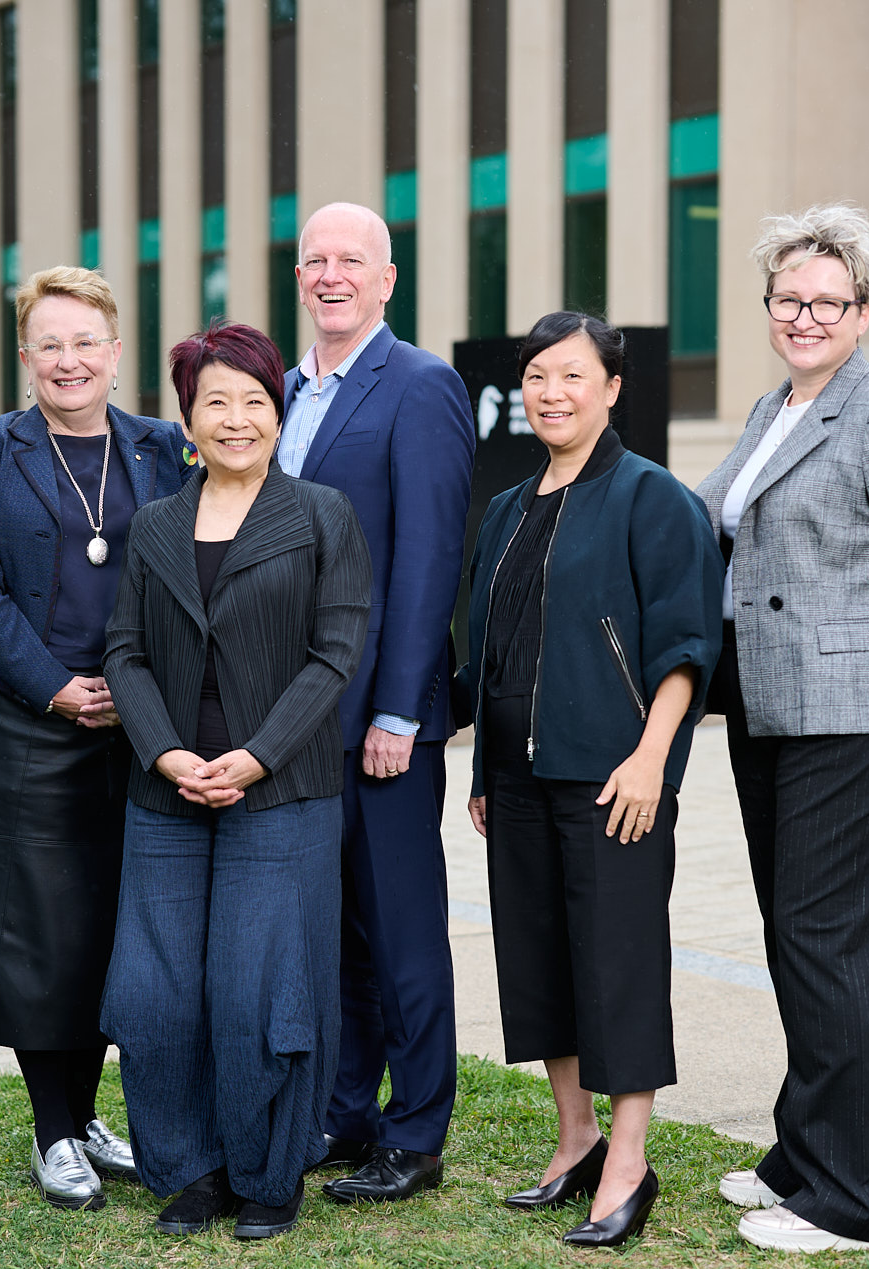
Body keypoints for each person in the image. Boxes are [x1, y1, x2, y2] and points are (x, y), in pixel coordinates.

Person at [695, 205, 869, 1253]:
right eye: (787, 299)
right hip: (770, 717)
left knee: (834, 953)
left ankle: (853, 1200)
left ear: (861, 312)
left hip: (861, 726)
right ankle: (800, 1152)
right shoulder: (771, 408)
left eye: (826, 301)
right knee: (797, 942)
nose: (803, 315)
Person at [99, 322, 371, 1241]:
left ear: (278, 410)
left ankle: (267, 1171)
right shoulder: (156, 524)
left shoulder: (321, 514)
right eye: (216, 400)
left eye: (255, 399)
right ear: (188, 417)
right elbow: (125, 651)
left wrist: (254, 755)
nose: (237, 417)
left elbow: (334, 655)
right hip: (165, 792)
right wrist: (167, 753)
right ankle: (194, 1166)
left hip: (283, 790)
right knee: (157, 988)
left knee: (263, 987)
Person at [0, 266, 190, 1211]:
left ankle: (88, 1116)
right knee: (40, 931)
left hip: (136, 722)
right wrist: (55, 687)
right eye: (51, 344)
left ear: (116, 354)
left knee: (116, 925)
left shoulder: (165, 448)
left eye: (87, 342)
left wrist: (131, 689)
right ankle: (52, 1129)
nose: (69, 360)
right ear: (27, 356)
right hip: (28, 722)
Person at [461, 312, 721, 1246]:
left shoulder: (654, 499)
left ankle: (628, 1158)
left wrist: (652, 757)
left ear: (612, 388)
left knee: (617, 966)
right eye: (537, 376)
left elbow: (687, 648)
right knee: (537, 962)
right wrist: (488, 767)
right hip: (519, 781)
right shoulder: (508, 506)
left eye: (572, 376)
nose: (551, 392)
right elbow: (492, 653)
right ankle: (574, 1138)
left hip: (616, 778)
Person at [277, 202, 475, 1204]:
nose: (329, 273)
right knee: (335, 927)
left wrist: (399, 709)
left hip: (381, 720)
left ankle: (416, 1129)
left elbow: (431, 558)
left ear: (386, 278)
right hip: (298, 719)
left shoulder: (421, 387)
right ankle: (347, 1112)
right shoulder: (277, 391)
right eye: (313, 258)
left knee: (399, 929)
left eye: (349, 259)